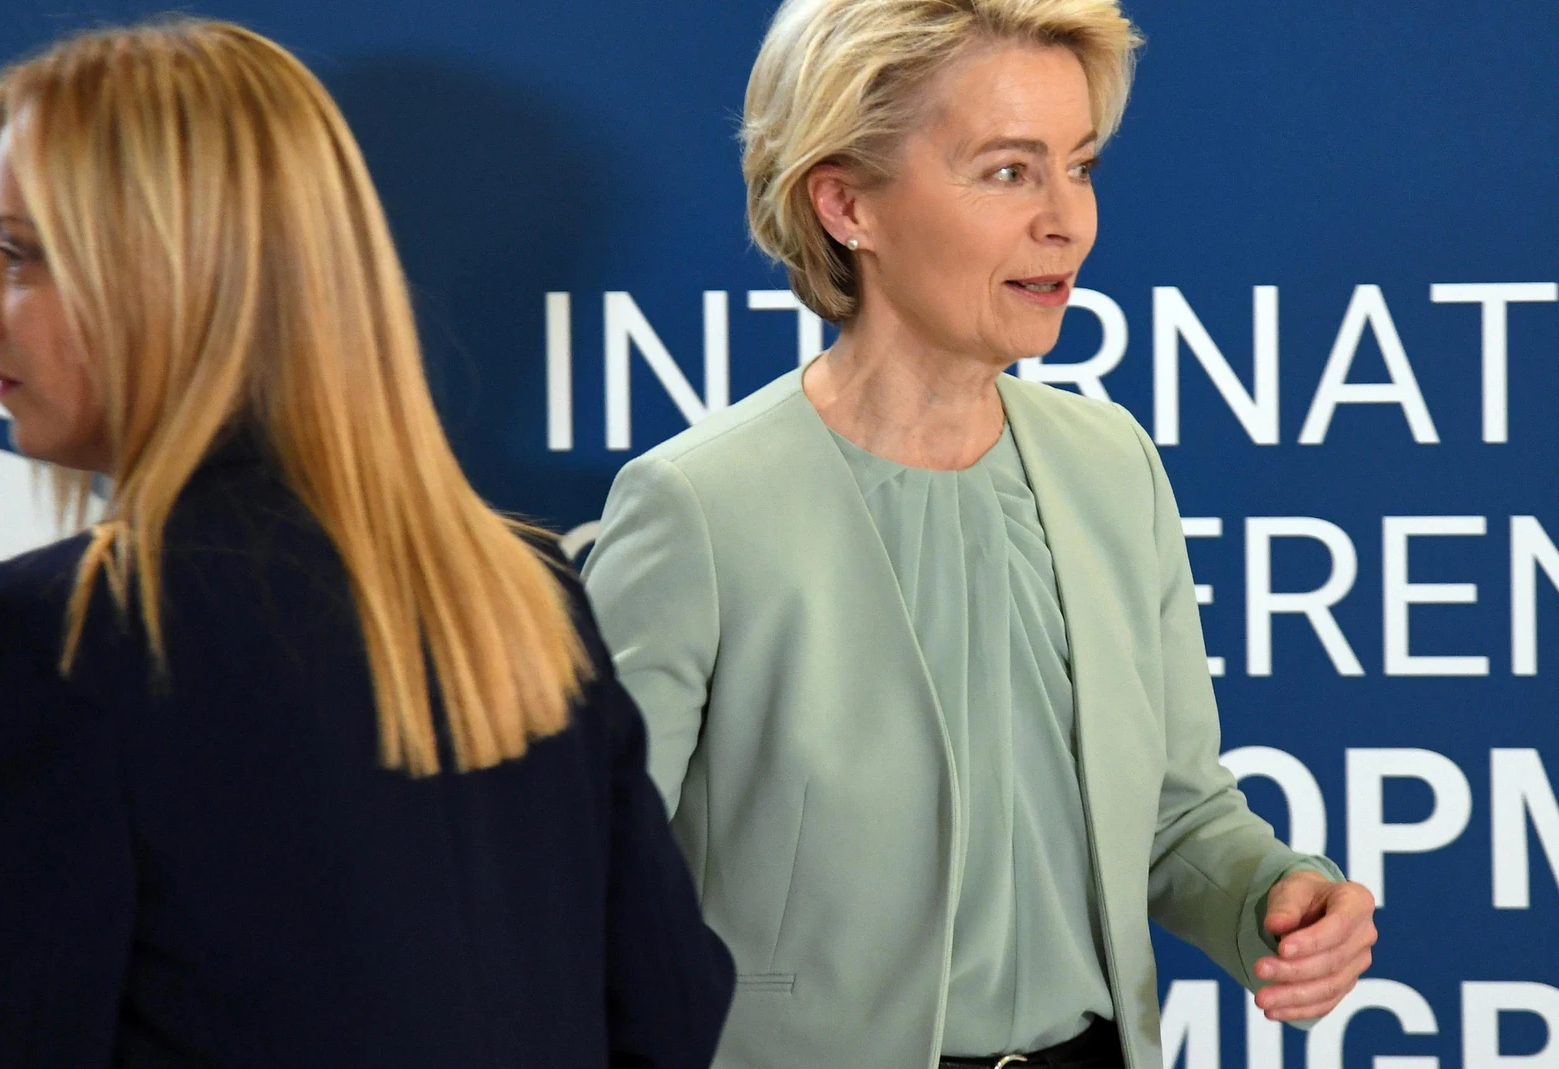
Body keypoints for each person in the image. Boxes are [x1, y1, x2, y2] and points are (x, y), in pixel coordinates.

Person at [0, 18, 733, 1069]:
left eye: (20, 256)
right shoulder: (526, 591)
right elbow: (669, 1011)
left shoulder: (71, 630)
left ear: (169, 272)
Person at [581, 2, 1376, 1068]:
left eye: (1080, 167)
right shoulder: (697, 505)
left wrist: (1275, 897)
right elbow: (585, 890)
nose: (1068, 221)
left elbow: (1178, 816)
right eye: (1008, 171)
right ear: (846, 202)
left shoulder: (1111, 465)